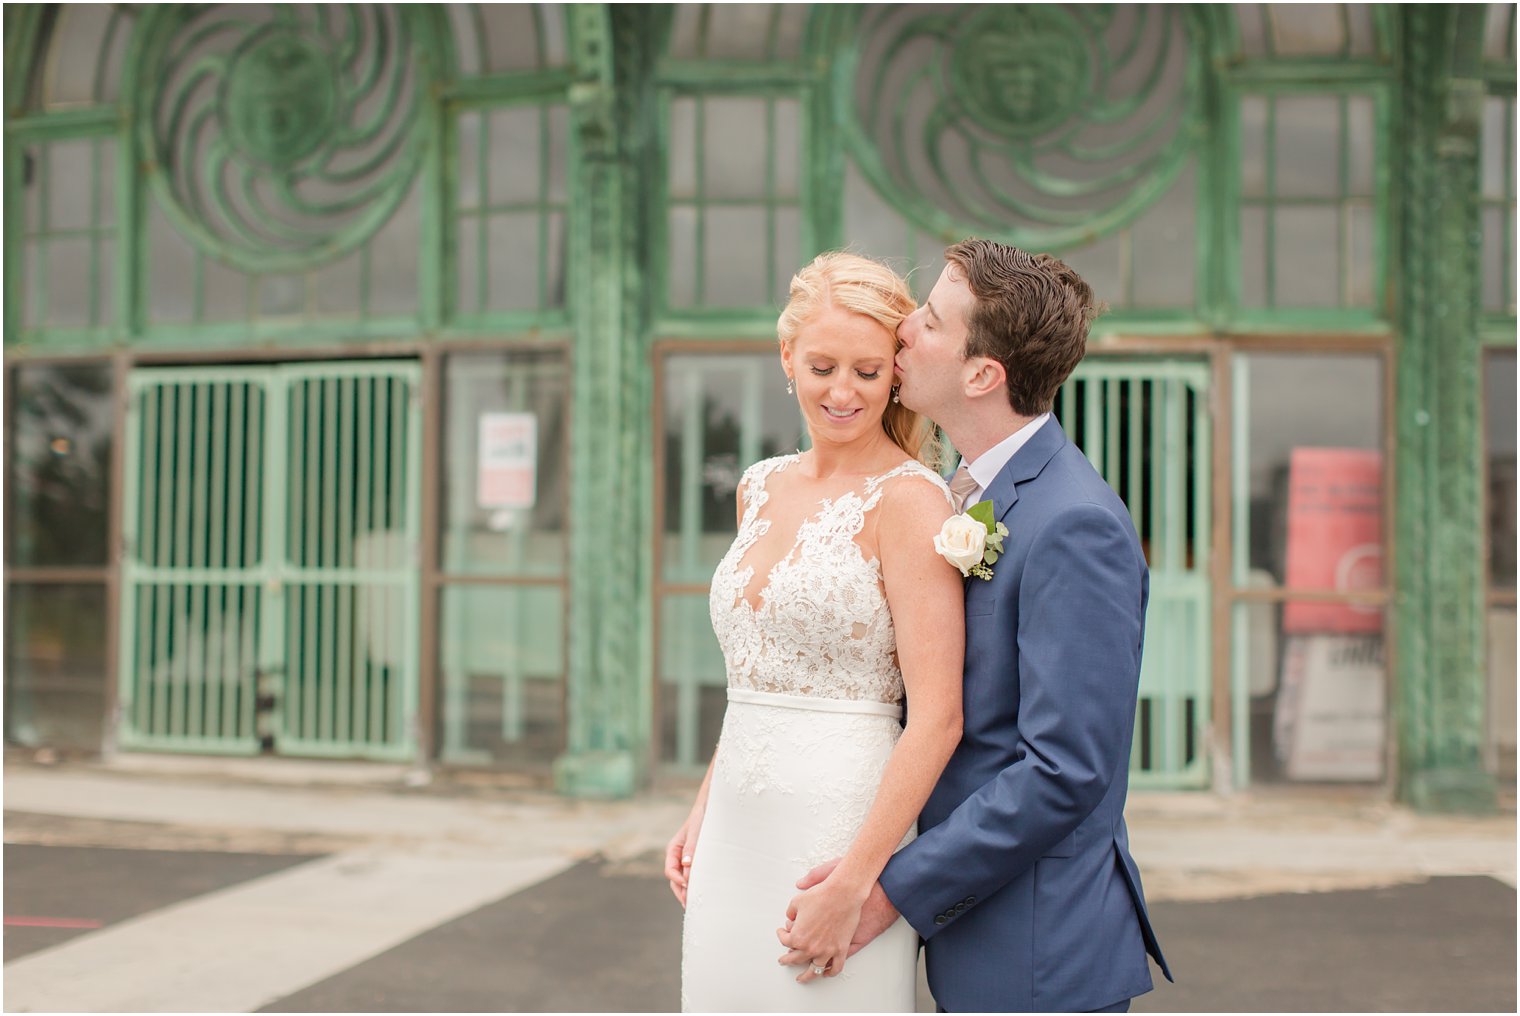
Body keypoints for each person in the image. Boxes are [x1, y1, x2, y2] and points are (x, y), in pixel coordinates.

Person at [777, 239, 1173, 1012]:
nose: (904, 333)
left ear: (981, 374)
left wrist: (888, 890)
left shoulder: (1074, 523)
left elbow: (1062, 769)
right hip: (980, 932)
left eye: (928, 319)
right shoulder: (964, 491)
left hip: (1036, 954)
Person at [665, 252, 966, 1012]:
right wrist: (703, 809)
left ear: (896, 374)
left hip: (838, 835)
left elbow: (938, 717)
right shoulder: (758, 486)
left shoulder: (911, 501)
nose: (842, 391)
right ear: (787, 358)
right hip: (734, 825)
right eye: (823, 365)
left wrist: (858, 881)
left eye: (868, 372)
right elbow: (756, 677)